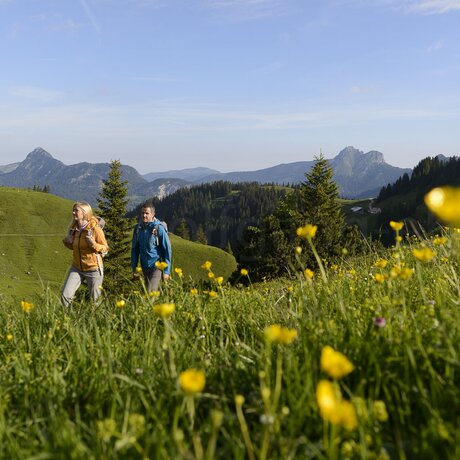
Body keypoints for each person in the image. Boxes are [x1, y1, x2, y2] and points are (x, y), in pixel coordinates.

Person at [61, 202, 109, 306]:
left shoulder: (95, 228)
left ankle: (98, 321)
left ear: (84, 213)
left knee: (95, 301)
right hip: (77, 268)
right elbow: (74, 247)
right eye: (73, 210)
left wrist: (93, 244)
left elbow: (105, 248)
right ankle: (66, 320)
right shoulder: (74, 229)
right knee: (65, 296)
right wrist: (67, 241)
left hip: (93, 269)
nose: (73, 213)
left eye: (76, 211)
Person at [131, 201, 172, 293]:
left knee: (150, 294)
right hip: (144, 267)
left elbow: (167, 250)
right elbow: (135, 249)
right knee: (147, 294)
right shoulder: (138, 229)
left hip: (156, 267)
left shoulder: (159, 228)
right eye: (142, 213)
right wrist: (134, 268)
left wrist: (166, 271)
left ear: (153, 214)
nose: (144, 215)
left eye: (147, 213)